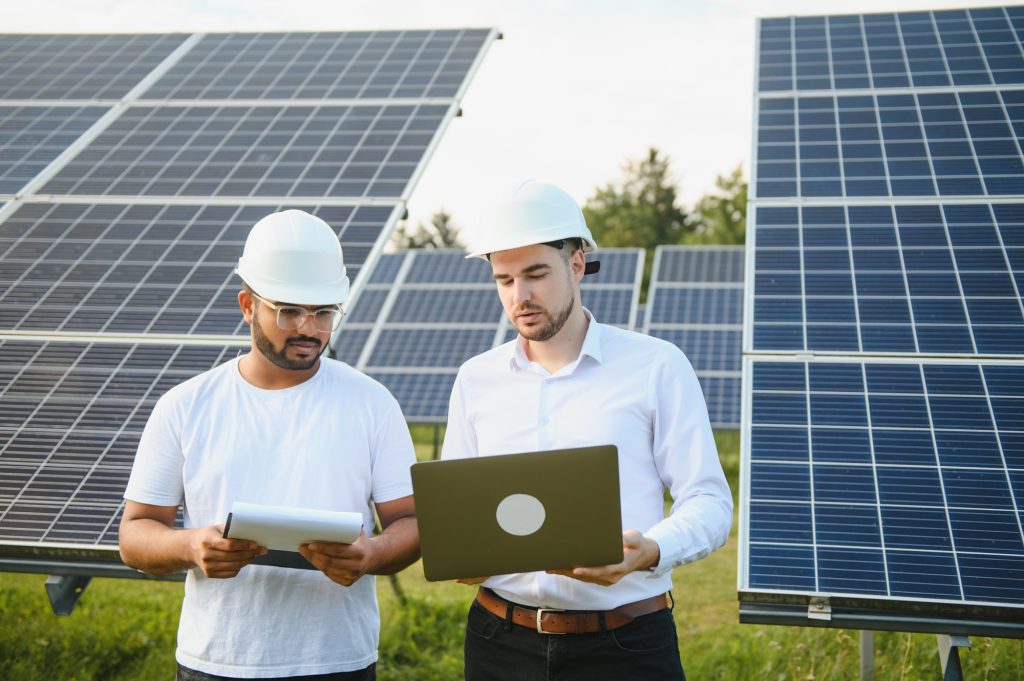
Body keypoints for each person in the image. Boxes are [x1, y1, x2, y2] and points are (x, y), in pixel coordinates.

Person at [441, 181, 733, 681]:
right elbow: (455, 509)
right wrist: (458, 550)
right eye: (504, 280)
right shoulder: (475, 378)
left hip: (626, 644)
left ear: (577, 263)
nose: (521, 296)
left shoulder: (656, 365)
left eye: (536, 274)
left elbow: (709, 500)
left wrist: (652, 550)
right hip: (497, 641)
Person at [119, 209, 419, 680]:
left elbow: (411, 521)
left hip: (338, 662)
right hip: (216, 662)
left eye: (323, 313)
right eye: (289, 310)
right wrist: (191, 545)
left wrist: (373, 555)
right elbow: (135, 535)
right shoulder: (184, 405)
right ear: (246, 305)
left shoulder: (372, 403)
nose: (308, 328)